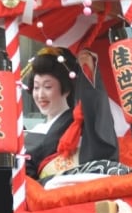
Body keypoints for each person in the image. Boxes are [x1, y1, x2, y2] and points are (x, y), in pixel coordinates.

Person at [24, 47, 120, 181]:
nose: (40, 95)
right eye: (36, 87)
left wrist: (88, 71)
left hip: (81, 186)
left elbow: (96, 109)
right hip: (46, 193)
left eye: (47, 87)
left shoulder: (80, 119)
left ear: (66, 88)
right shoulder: (31, 134)